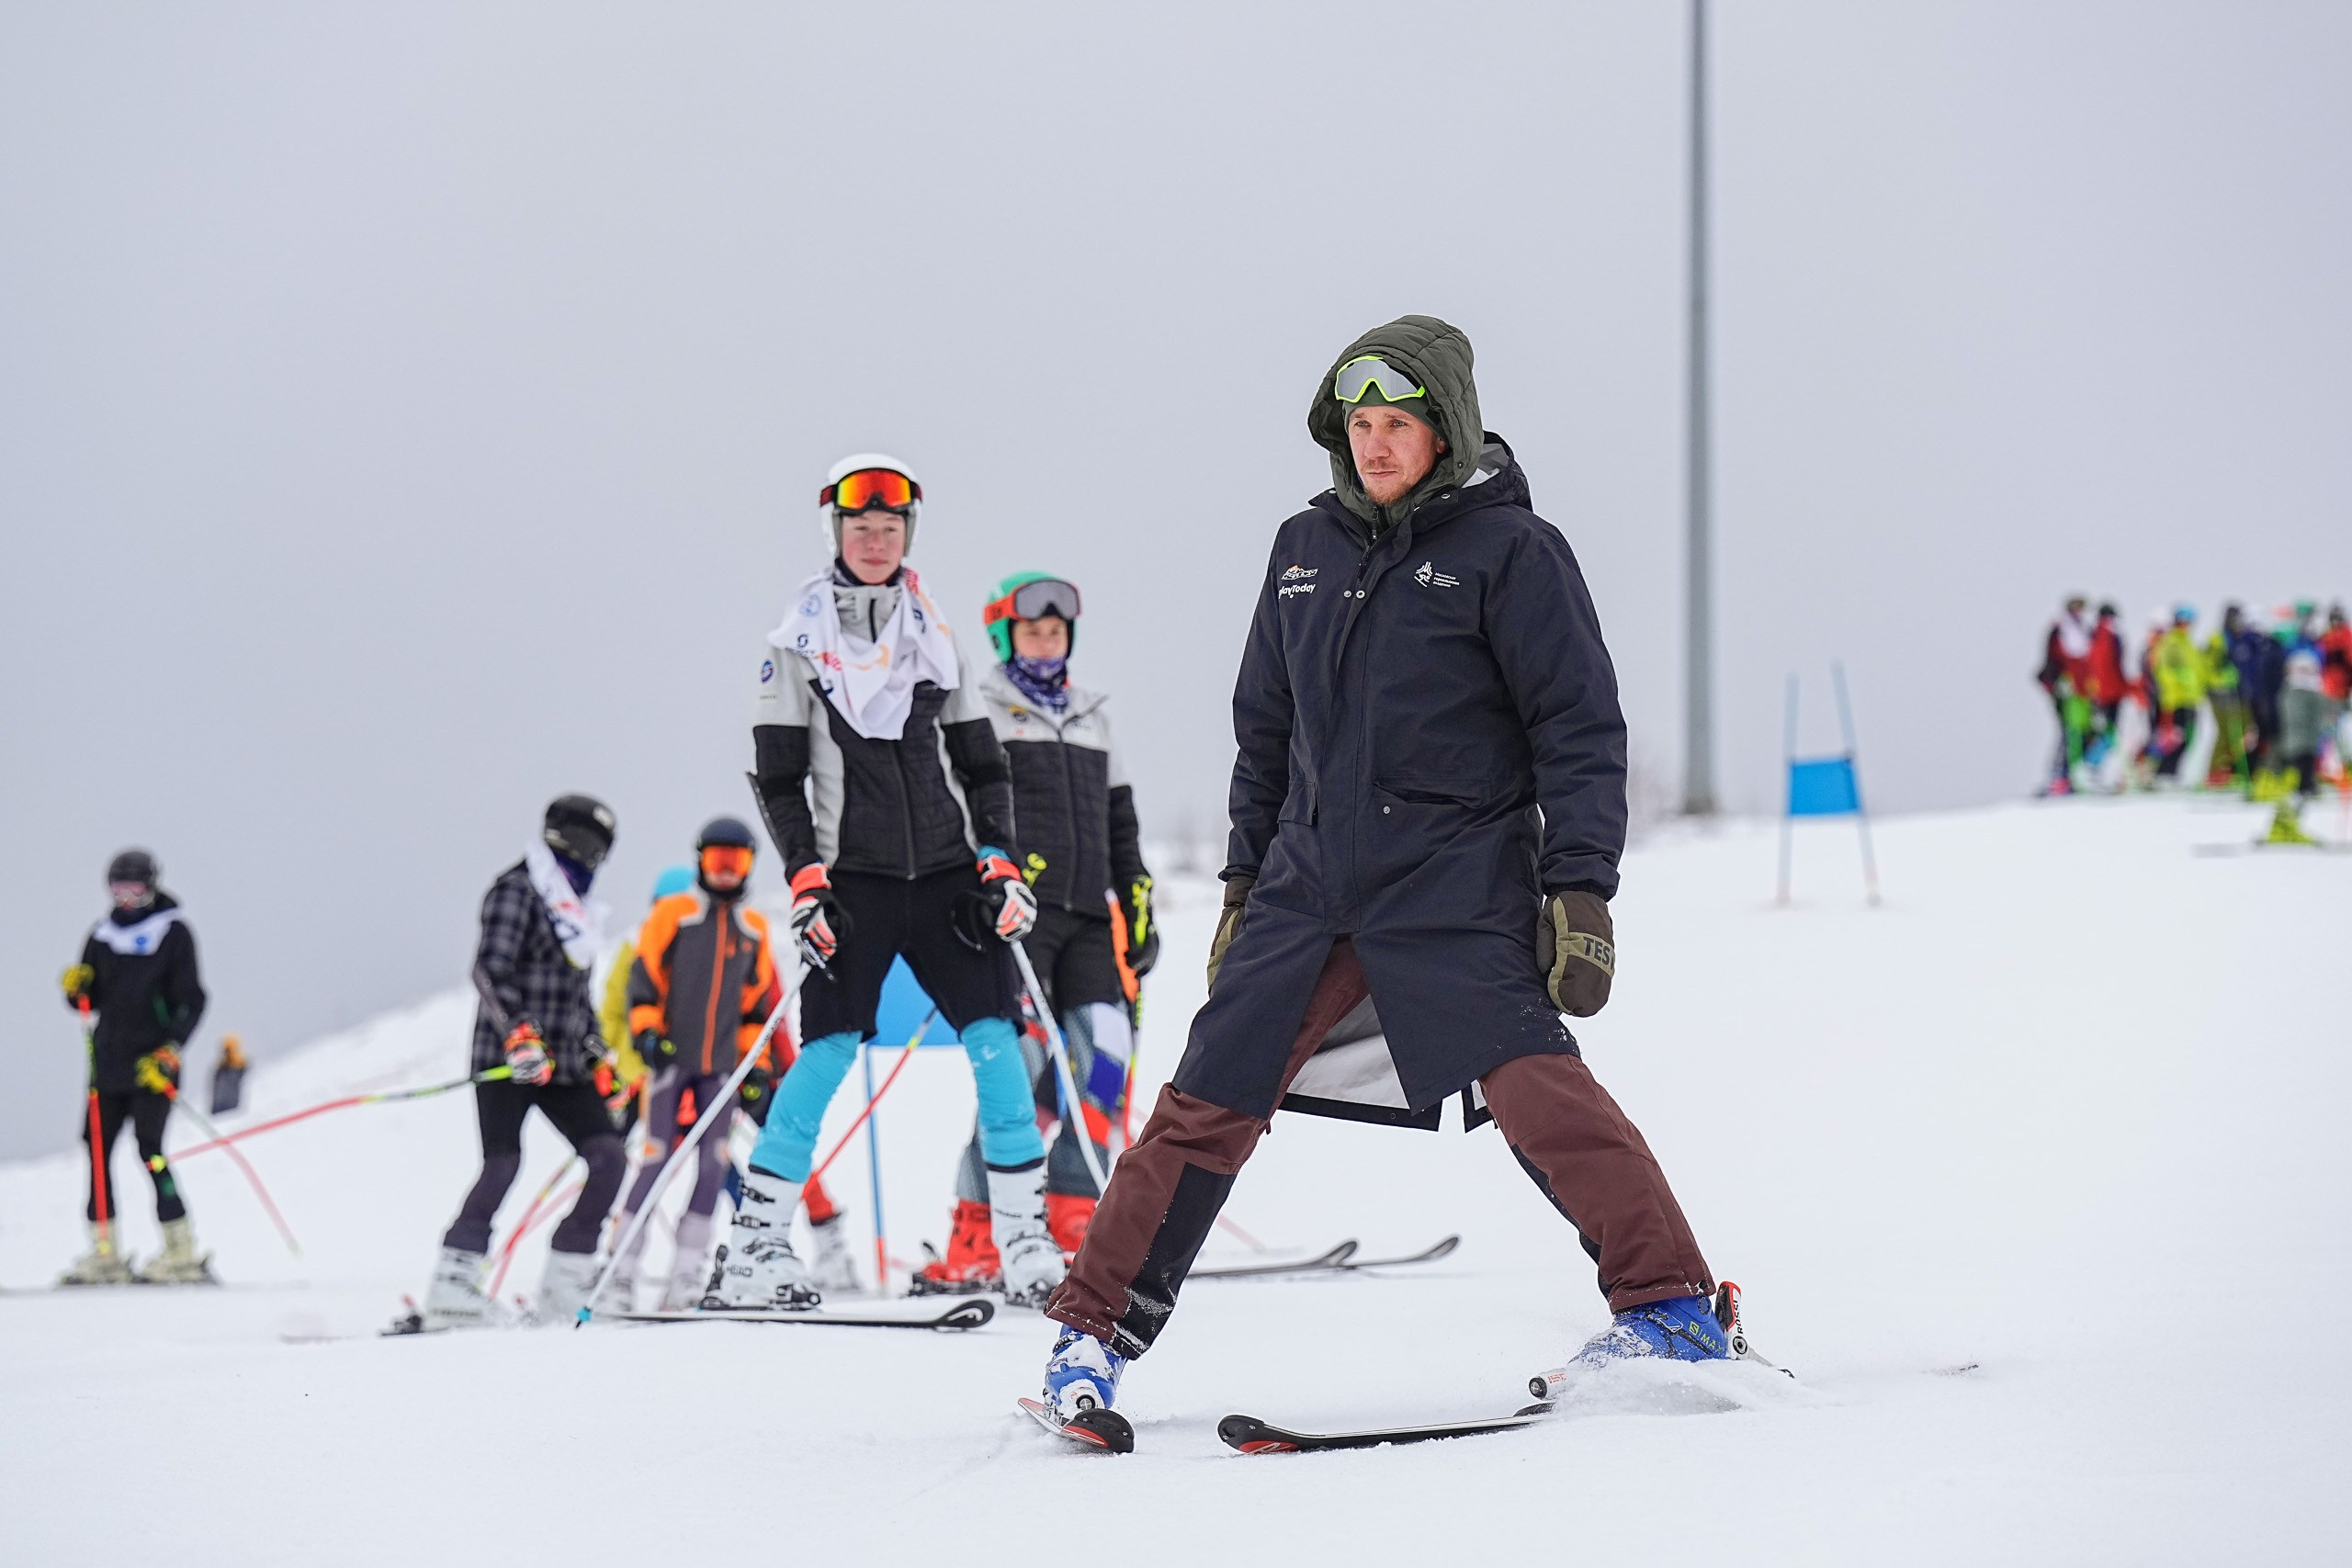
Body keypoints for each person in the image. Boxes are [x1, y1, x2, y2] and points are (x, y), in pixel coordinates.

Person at [1036, 316, 1730, 1427]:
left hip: (1455, 886)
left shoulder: (1513, 551)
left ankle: (1672, 1308)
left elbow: (1577, 729)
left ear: (1444, 430)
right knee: (1202, 1104)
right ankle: (1090, 1337)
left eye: (1397, 424)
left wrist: (1579, 890)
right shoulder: (1301, 549)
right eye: (1358, 425)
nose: (1374, 444)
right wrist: (1240, 885)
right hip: (1306, 889)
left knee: (1538, 1094)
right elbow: (1264, 735)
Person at [720, 454, 1063, 1311]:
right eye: (861, 526)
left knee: (997, 1041)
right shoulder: (795, 645)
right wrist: (805, 879)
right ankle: (756, 1244)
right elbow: (778, 779)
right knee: (828, 1048)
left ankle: (1024, 1237)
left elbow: (983, 765)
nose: (876, 541)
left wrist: (999, 859)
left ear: (908, 534)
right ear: (835, 532)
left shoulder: (934, 634)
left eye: (890, 527)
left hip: (948, 876)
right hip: (853, 880)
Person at [911, 573, 1158, 1294]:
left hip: (1090, 919)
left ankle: (1075, 1212)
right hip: (1018, 915)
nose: (1047, 642)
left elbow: (1121, 820)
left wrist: (1136, 895)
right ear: (1004, 636)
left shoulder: (1093, 715)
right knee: (1016, 1071)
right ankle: (977, 1228)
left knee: (1104, 1059)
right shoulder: (982, 710)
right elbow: (961, 811)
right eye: (1032, 632)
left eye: (1056, 632)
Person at [607, 818, 856, 1308]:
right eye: (717, 860)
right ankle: (620, 1270)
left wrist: (756, 1064)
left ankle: (687, 1272)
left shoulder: (753, 929)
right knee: (656, 1161)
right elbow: (644, 981)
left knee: (712, 1166)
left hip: (721, 1071)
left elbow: (754, 1010)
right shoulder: (673, 915)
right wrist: (647, 1033)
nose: (725, 871)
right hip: (671, 1064)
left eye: (736, 862)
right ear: (700, 860)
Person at [420, 795, 628, 1327]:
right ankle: (452, 1286)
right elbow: (489, 969)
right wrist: (518, 1032)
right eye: (590, 844)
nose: (594, 858)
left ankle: (565, 1283)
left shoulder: (576, 914)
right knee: (503, 1162)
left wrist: (598, 1055)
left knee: (608, 1157)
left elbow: (576, 997)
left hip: (565, 1068)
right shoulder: (518, 889)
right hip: (509, 1059)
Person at [57, 849, 209, 1285]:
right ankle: (105, 1253)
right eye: (118, 889)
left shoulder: (172, 933)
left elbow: (192, 1000)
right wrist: (77, 989)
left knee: (150, 1150)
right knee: (97, 1149)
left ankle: (180, 1251)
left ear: (152, 887)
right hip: (108, 1064)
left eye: (135, 890)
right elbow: (90, 999)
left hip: (152, 1065)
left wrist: (170, 1050)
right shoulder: (102, 935)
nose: (126, 899)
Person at [2036, 596, 2095, 795]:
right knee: (2068, 732)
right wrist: (2057, 681)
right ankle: (2058, 776)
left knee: (2083, 732)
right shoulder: (2060, 629)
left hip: (2081, 691)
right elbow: (2052, 658)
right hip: (2064, 689)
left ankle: (2072, 774)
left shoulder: (2084, 629)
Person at [2145, 606, 2205, 784]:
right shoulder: (2170, 642)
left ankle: (2171, 772)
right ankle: (2164, 772)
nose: (2186, 626)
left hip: (2190, 699)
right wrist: (2177, 684)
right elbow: (2163, 670)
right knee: (2173, 739)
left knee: (2189, 738)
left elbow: (2196, 669)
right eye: (2183, 622)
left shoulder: (2187, 643)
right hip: (2175, 699)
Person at [2200, 606, 2248, 789]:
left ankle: (2226, 769)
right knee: (2225, 730)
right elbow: (2209, 666)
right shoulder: (2218, 640)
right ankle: (2214, 771)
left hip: (2232, 692)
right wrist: (2220, 683)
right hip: (2218, 692)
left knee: (2236, 730)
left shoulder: (2236, 639)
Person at [2083, 603, 2130, 777]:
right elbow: (2113, 667)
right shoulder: (2109, 635)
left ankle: (2093, 768)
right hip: (2110, 694)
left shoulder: (2092, 635)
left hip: (2097, 693)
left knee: (2103, 731)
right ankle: (2091, 766)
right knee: (2108, 732)